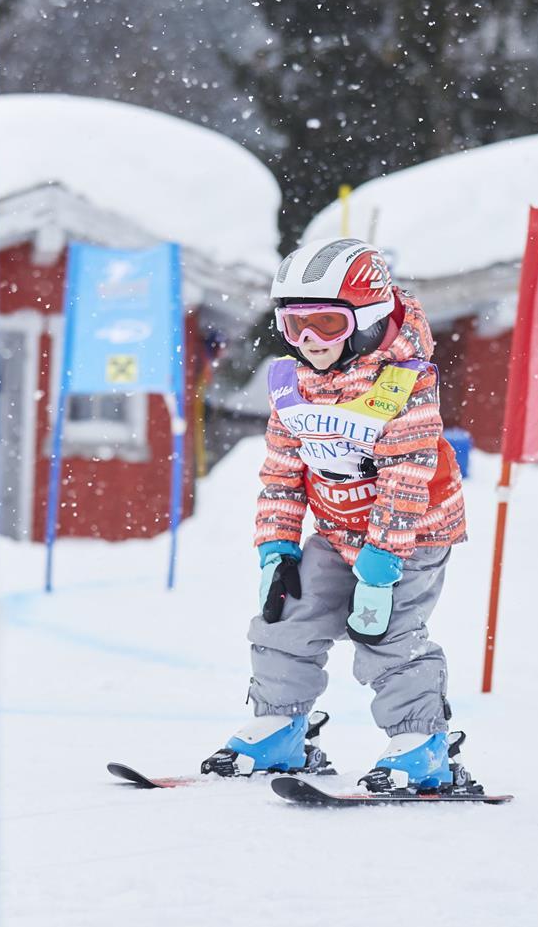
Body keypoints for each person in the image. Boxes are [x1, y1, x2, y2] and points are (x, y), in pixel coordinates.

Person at [202, 238, 473, 790]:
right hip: (336, 530)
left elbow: (406, 476)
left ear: (368, 320)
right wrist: (277, 548)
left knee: (387, 633)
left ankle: (421, 744)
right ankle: (279, 726)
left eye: (326, 324)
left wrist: (382, 560)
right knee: (286, 617)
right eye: (294, 325)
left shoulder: (404, 382)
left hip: (411, 535)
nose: (309, 341)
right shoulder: (291, 384)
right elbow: (282, 473)